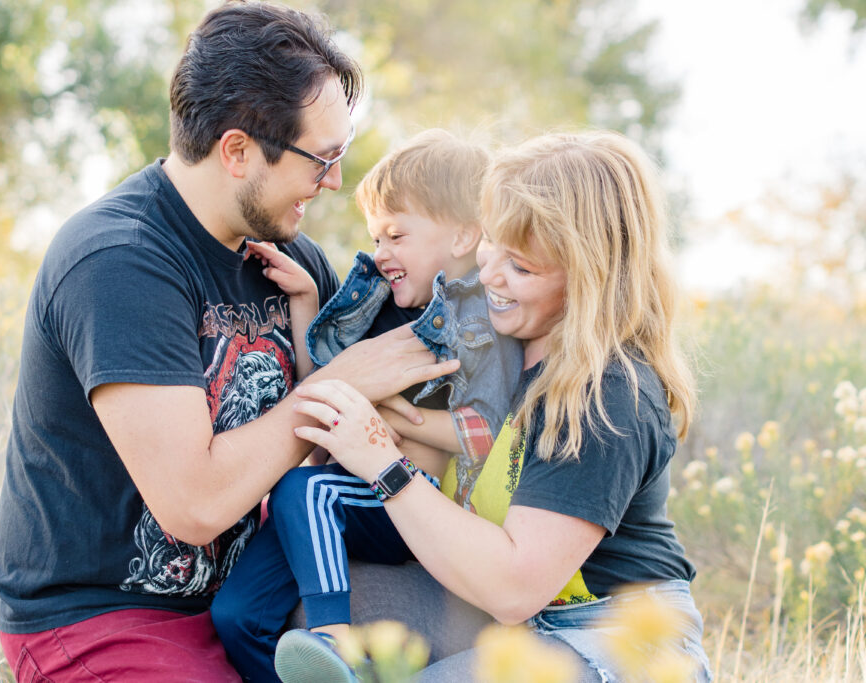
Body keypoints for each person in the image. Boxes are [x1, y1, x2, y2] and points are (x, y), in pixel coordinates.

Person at [0, 3, 459, 681]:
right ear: (237, 151)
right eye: (321, 160)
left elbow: (340, 448)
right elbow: (196, 505)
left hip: (249, 593)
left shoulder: (292, 262)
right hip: (109, 617)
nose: (334, 182)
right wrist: (342, 384)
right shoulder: (119, 262)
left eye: (341, 155)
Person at [281, 131, 713, 682]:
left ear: (590, 279)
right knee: (313, 617)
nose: (488, 277)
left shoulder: (608, 393)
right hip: (513, 622)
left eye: (522, 268)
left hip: (614, 637)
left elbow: (514, 587)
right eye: (491, 245)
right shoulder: (495, 340)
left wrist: (382, 463)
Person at [210, 130, 524, 681]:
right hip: (333, 496)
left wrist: (395, 418)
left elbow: (485, 433)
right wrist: (306, 301)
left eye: (397, 235)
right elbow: (320, 393)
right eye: (376, 237)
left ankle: (333, 638)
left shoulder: (480, 321)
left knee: (302, 489)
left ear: (463, 236)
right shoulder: (380, 307)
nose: (380, 254)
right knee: (236, 617)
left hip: (402, 499)